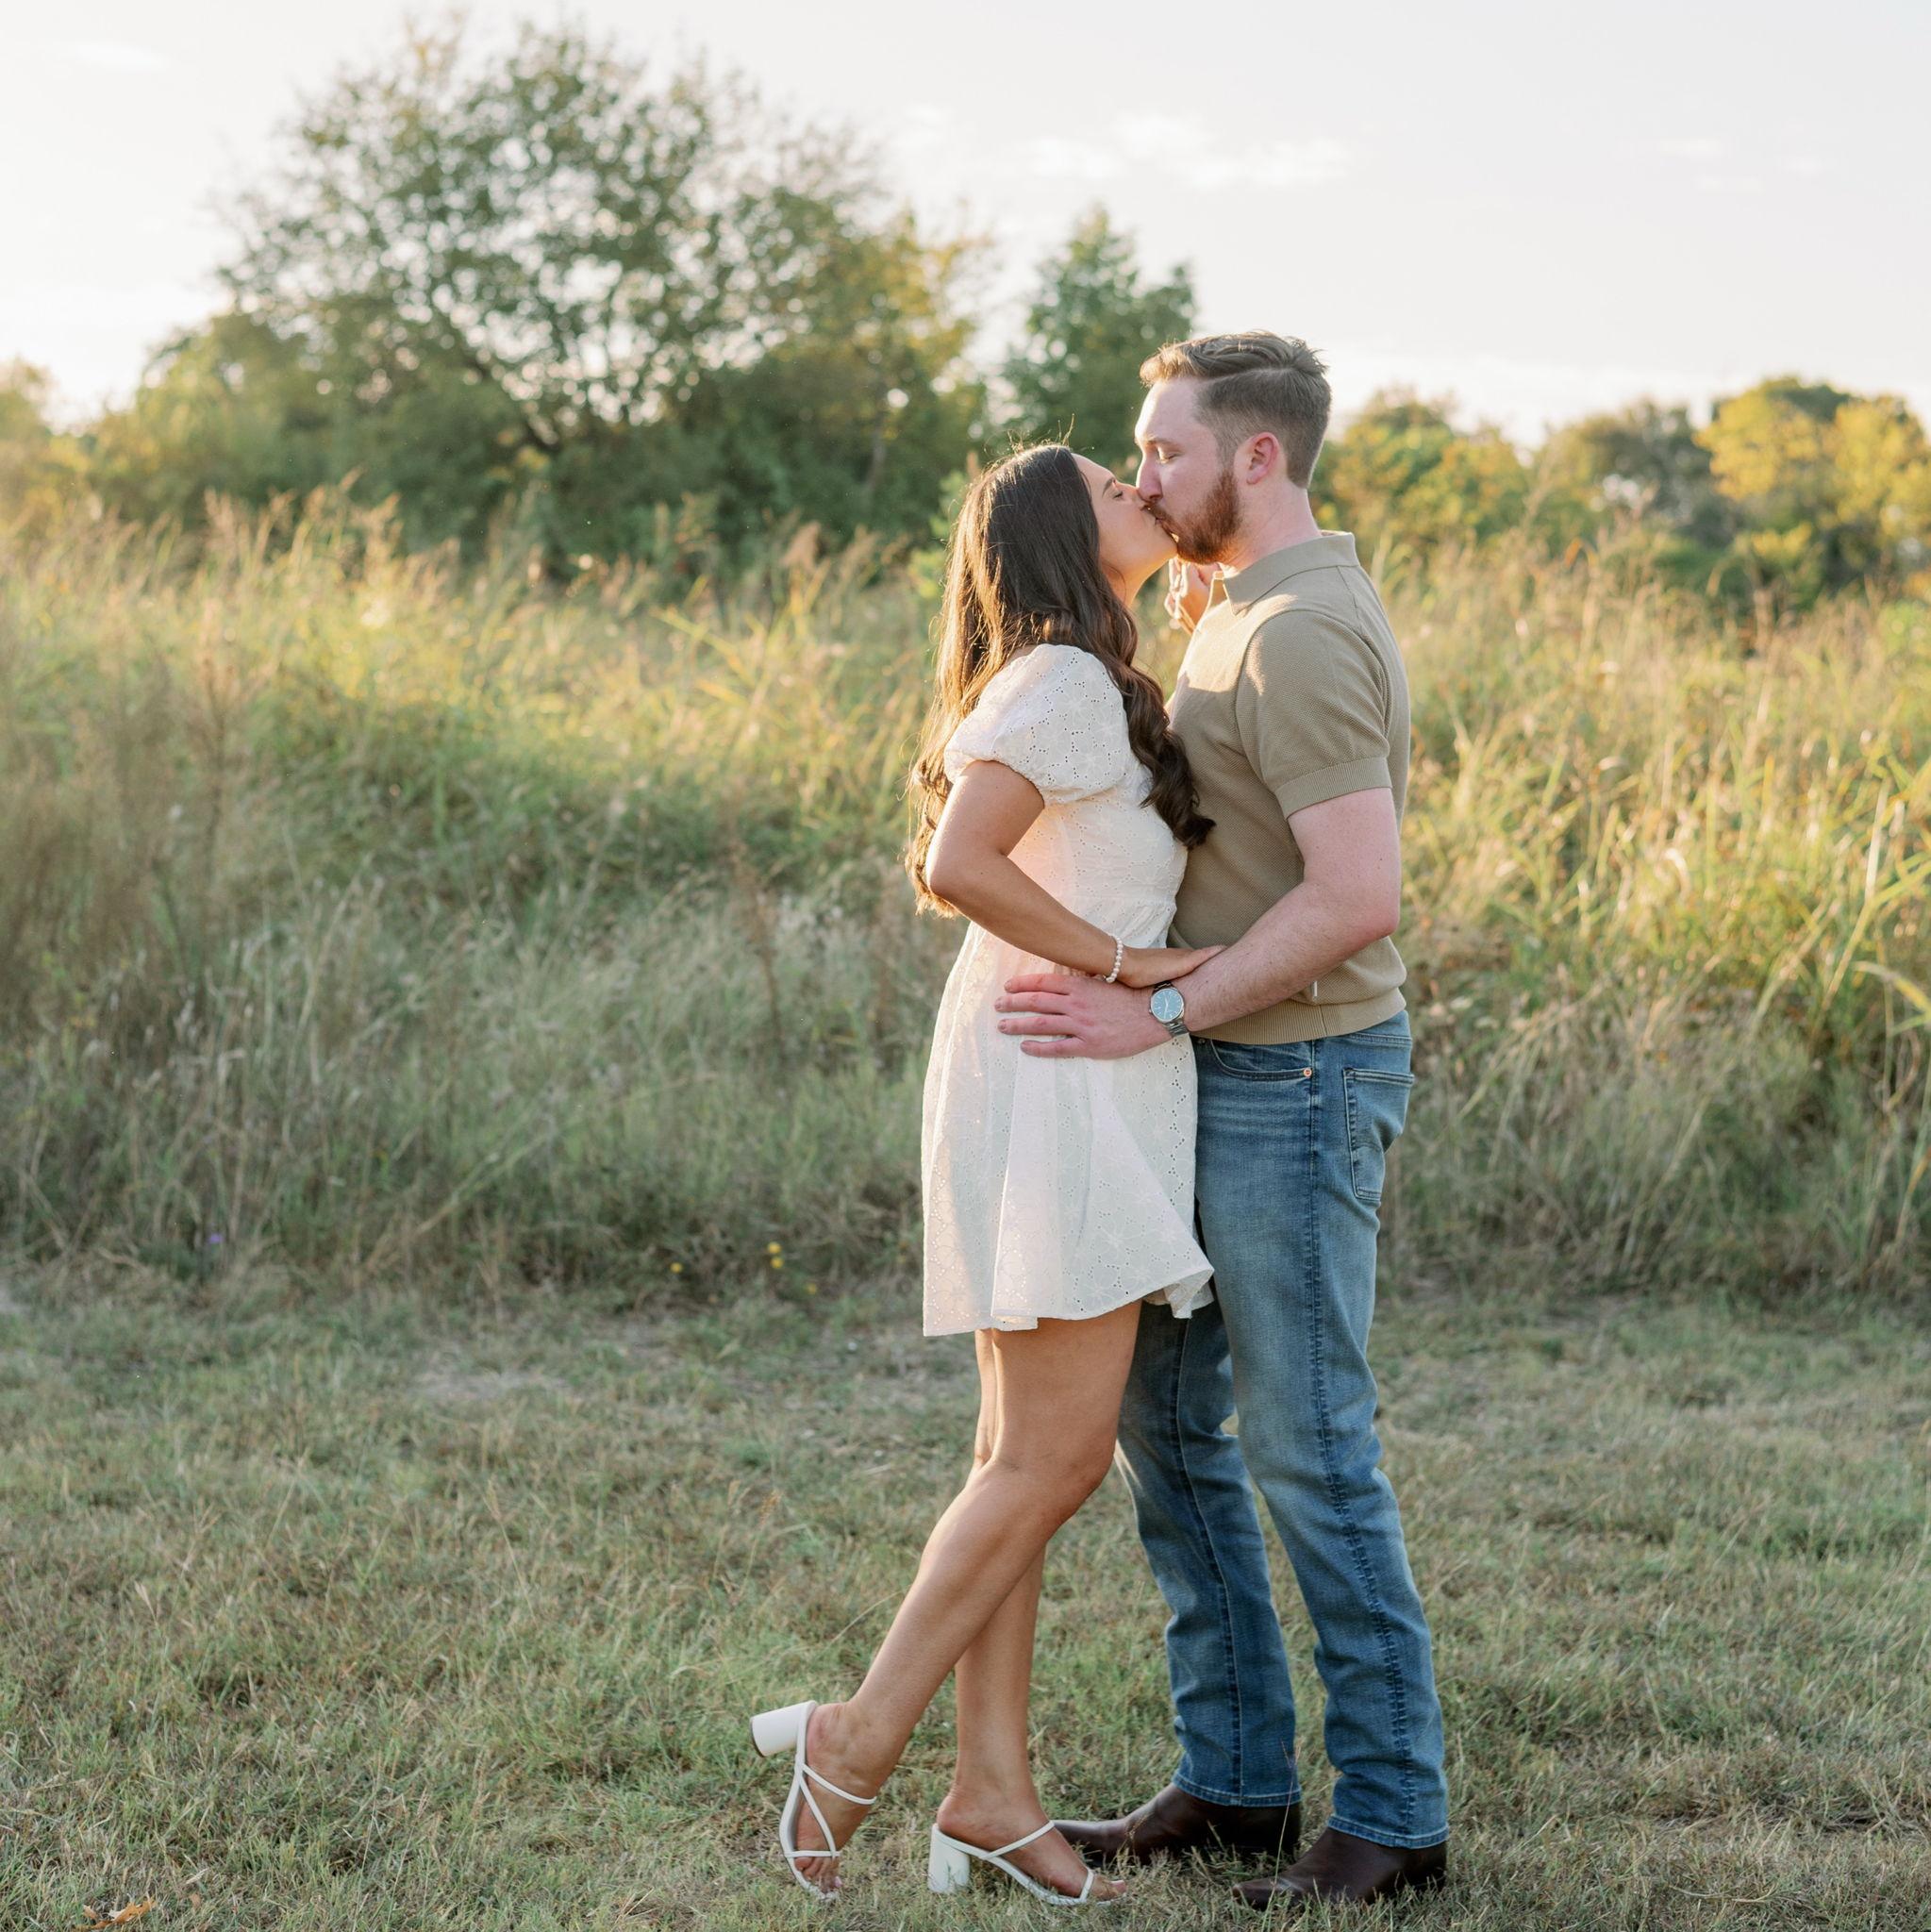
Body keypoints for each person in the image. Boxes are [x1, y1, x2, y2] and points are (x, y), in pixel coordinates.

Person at [998, 333, 1451, 1910]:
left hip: (1298, 1079)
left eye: (1166, 452)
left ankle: (1393, 1821)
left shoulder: (1302, 634)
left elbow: (1358, 896)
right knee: (1167, 1426)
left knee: (1310, 1448)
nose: (1143, 478)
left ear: (1258, 457)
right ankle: (1240, 1780)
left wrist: (1165, 1009)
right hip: (1213, 1071)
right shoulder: (1243, 607)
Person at [750, 442, 1222, 1905]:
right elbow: (961, 863)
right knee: (1052, 1460)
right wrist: (1133, 966)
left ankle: (994, 1792)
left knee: (1015, 1459)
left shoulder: (1086, 677)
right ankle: (854, 1738)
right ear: (1062, 537)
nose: (1141, 484)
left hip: (1059, 1066)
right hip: (1061, 1072)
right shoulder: (1063, 679)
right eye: (1112, 483)